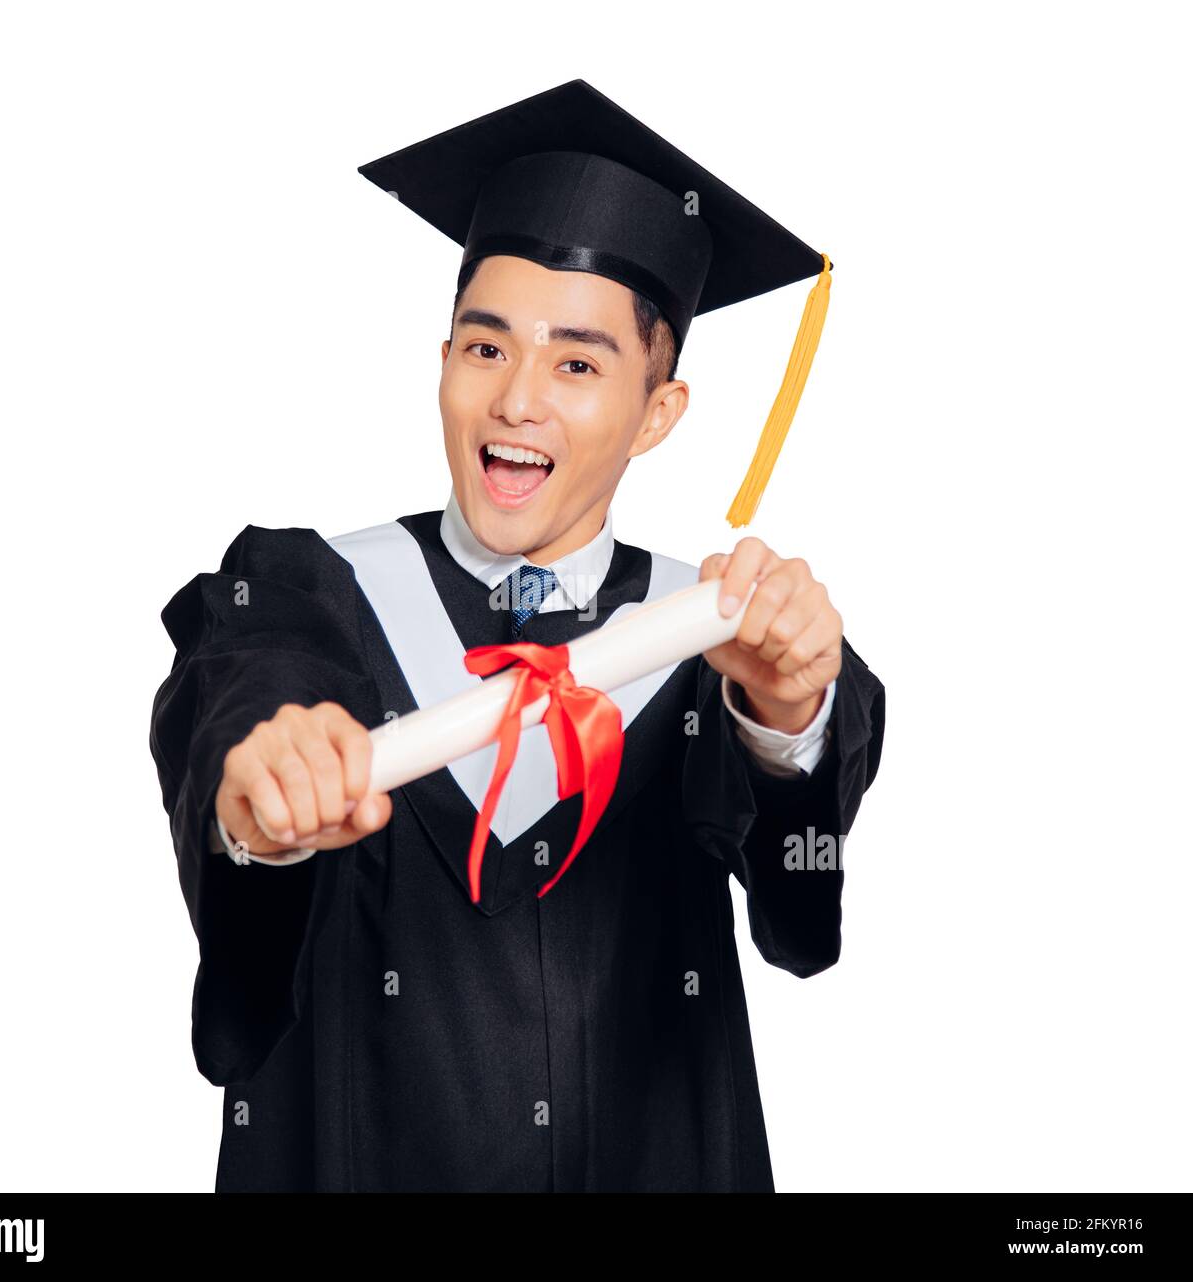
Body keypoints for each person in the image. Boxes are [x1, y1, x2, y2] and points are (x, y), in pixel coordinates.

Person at [149, 80, 885, 1192]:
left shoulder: (712, 636)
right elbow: (249, 686)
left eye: (578, 364)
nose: (517, 402)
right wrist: (260, 785)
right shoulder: (308, 590)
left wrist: (787, 719)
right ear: (442, 358)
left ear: (656, 412)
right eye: (485, 349)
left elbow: (799, 908)